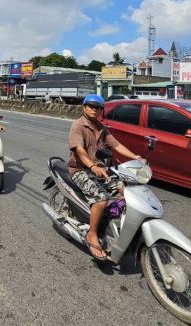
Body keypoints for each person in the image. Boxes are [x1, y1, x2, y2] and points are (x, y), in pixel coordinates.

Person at [69, 94, 145, 261]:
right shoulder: (78, 126)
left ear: (101, 110)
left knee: (126, 191)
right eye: (90, 106)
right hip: (81, 169)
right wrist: (92, 166)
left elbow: (116, 145)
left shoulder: (101, 128)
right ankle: (92, 234)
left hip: (100, 170)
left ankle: (118, 227)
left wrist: (135, 158)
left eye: (97, 107)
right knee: (101, 200)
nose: (93, 109)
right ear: (84, 107)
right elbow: (79, 150)